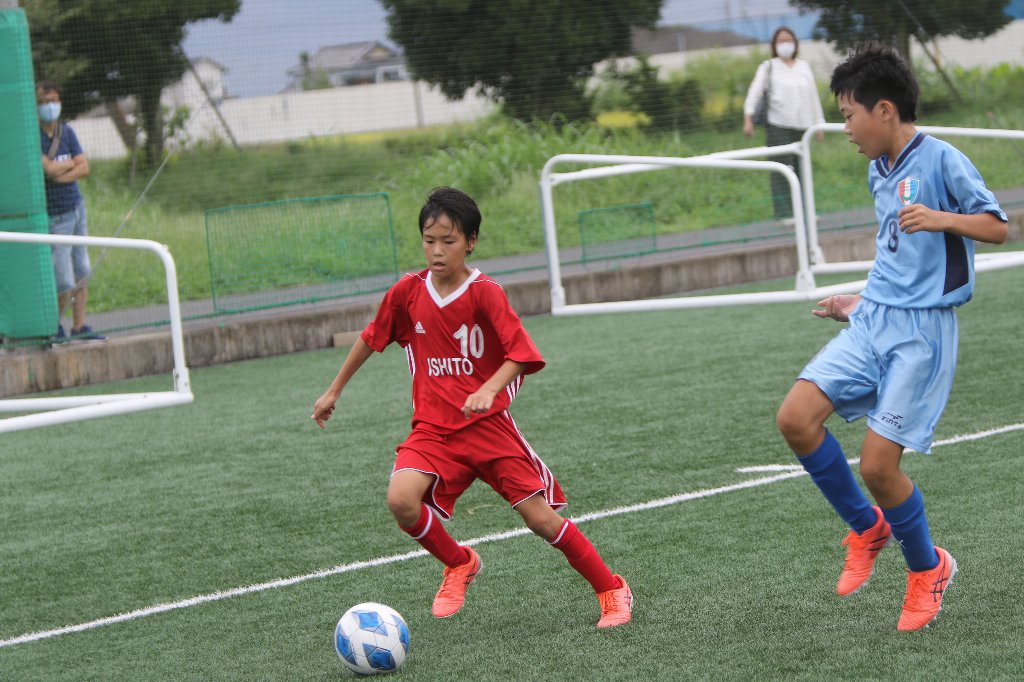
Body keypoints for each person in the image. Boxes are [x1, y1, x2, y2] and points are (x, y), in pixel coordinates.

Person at [311, 187, 632, 628]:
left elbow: (522, 354)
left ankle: (611, 589)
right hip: (433, 431)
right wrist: (334, 391)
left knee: (540, 520)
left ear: (471, 241)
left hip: (488, 429)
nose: (437, 251)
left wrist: (488, 388)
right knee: (401, 500)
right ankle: (460, 562)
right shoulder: (407, 292)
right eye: (429, 240)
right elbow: (371, 337)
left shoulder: (485, 293)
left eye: (448, 241)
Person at [775, 43, 1008, 632]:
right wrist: (859, 301)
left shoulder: (943, 160)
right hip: (874, 318)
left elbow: (997, 227)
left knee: (879, 467)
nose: (845, 128)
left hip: (921, 334)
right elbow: (898, 255)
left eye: (848, 115)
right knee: (796, 418)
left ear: (884, 110)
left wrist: (943, 217)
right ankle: (867, 528)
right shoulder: (878, 169)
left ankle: (928, 568)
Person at [37, 80, 104, 341]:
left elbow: (83, 166)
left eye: (53, 100)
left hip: (77, 208)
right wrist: (67, 167)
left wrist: (60, 173)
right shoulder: (33, 137)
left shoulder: (67, 131)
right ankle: (53, 326)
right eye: (44, 102)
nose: (49, 106)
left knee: (81, 269)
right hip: (56, 216)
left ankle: (79, 326)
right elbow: (48, 169)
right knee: (62, 277)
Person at [742, 27, 826, 221]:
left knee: (803, 169)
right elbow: (754, 93)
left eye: (788, 40)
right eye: (780, 41)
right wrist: (748, 119)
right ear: (774, 45)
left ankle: (806, 212)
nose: (785, 44)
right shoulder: (768, 67)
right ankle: (785, 214)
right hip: (778, 126)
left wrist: (819, 123)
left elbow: (813, 96)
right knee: (782, 170)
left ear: (795, 43)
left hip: (803, 127)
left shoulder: (803, 67)